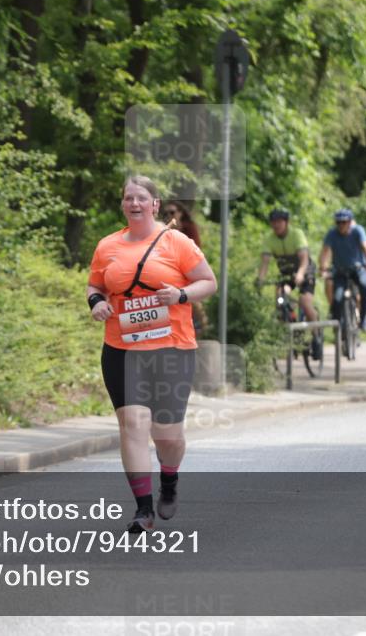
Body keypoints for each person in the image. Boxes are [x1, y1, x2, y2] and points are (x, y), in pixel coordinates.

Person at [88, 176, 217, 533]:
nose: (134, 203)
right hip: (122, 349)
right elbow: (95, 285)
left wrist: (181, 295)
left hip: (171, 349)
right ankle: (143, 509)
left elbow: (208, 282)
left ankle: (170, 479)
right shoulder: (107, 246)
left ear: (155, 204)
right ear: (123, 204)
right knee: (132, 426)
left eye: (141, 198)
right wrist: (96, 302)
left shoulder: (177, 242)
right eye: (128, 197)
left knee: (168, 436)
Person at [256, 208, 321, 356]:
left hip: (305, 270)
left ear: (286, 222)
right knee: (280, 299)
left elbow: (304, 259)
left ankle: (317, 337)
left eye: (279, 221)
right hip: (286, 274)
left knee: (305, 302)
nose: (276, 225)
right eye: (273, 222)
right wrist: (260, 280)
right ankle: (291, 327)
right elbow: (264, 263)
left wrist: (300, 274)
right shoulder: (270, 239)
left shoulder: (296, 234)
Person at [319, 208, 366, 331]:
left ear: (350, 222)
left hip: (358, 269)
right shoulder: (332, 234)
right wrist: (322, 268)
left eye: (344, 222)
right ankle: (337, 326)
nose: (341, 225)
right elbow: (324, 251)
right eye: (338, 222)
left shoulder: (358, 231)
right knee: (338, 298)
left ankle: (364, 317)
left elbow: (365, 248)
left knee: (364, 286)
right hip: (340, 271)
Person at [163, 200, 207, 333]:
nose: (169, 215)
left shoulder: (189, 227)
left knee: (191, 298)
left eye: (172, 212)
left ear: (180, 213)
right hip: (169, 268)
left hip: (189, 266)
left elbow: (196, 250)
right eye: (165, 213)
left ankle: (201, 325)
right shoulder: (163, 229)